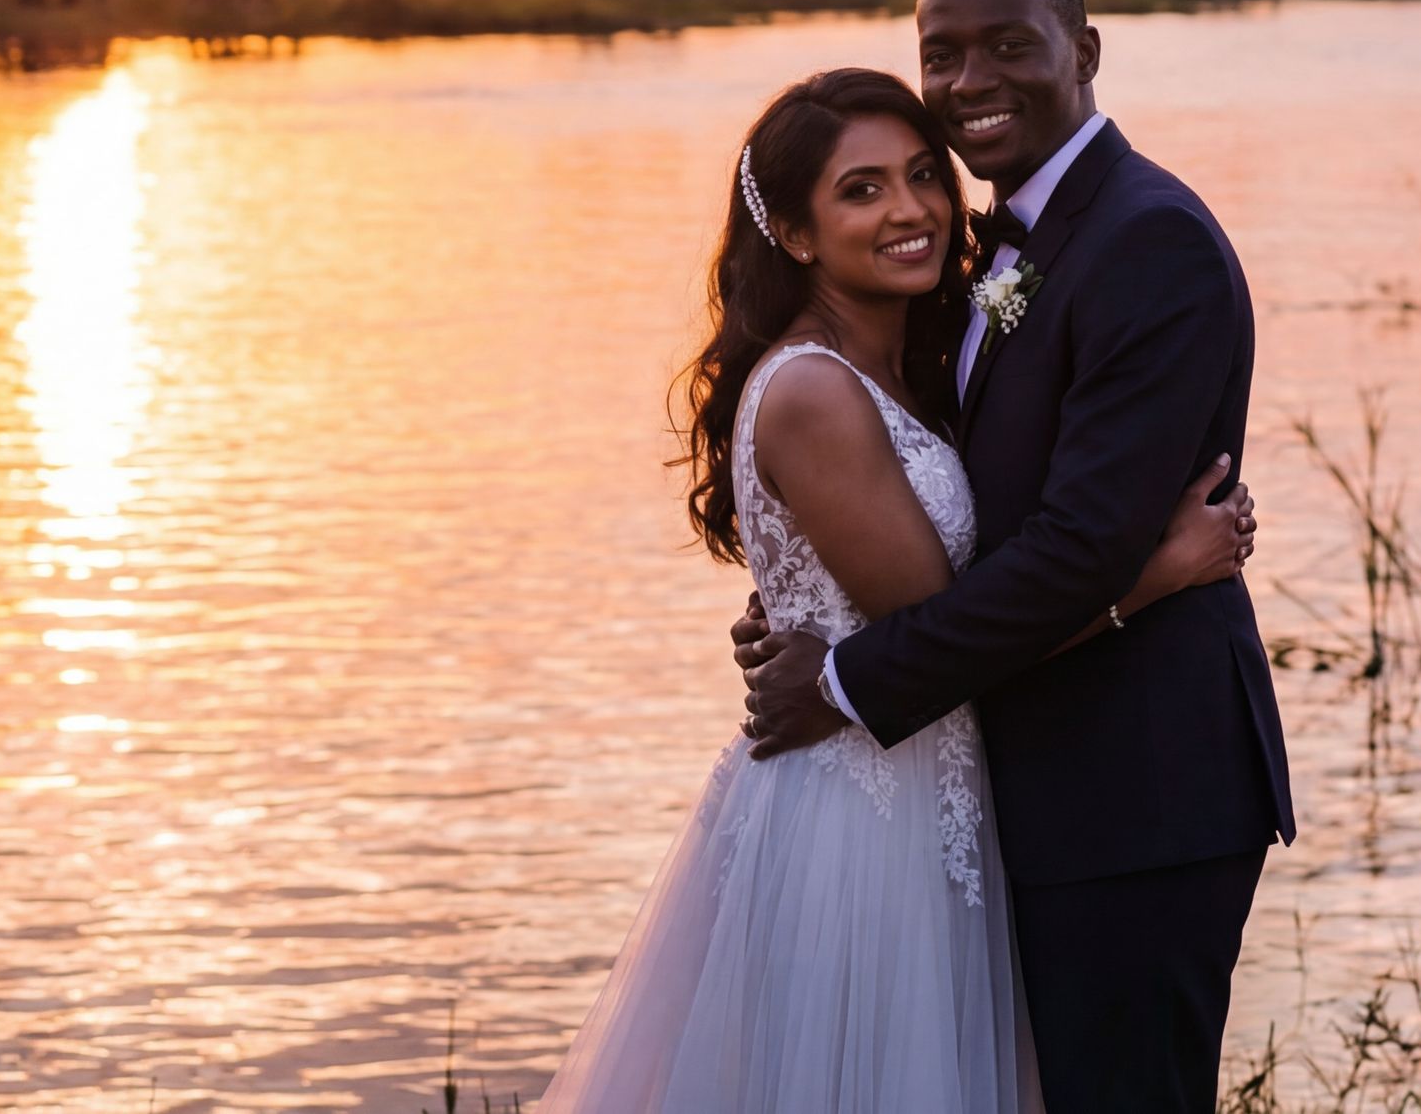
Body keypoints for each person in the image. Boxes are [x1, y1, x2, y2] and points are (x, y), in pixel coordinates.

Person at [539, 64, 1257, 1113]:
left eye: (923, 174)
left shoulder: (902, 362)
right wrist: (1153, 576)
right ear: (792, 233)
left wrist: (823, 651)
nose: (913, 208)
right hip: (861, 819)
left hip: (932, 792)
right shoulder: (816, 392)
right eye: (861, 189)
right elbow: (943, 627)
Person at [735, 0, 1296, 1113]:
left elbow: (1077, 552)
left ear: (1084, 49)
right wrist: (805, 593)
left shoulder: (1144, 238)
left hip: (1138, 791)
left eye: (1008, 46)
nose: (970, 82)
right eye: (943, 55)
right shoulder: (1009, 246)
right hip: (1025, 791)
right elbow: (967, 501)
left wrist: (843, 676)